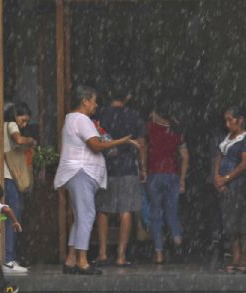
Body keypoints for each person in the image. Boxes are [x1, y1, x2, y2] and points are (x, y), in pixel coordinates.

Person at [54, 86, 139, 275]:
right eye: (93, 100)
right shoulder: (82, 119)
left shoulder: (71, 119)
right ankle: (82, 262)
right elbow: (96, 145)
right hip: (81, 171)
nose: (96, 105)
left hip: (78, 173)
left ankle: (71, 259)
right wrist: (121, 141)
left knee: (80, 217)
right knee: (87, 215)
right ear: (85, 101)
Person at [93, 87, 147, 267]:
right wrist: (143, 167)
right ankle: (121, 255)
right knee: (126, 210)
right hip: (128, 167)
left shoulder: (100, 114)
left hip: (104, 167)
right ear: (128, 96)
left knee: (103, 209)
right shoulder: (134, 116)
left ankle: (102, 253)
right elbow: (141, 144)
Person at [145, 99, 189, 264]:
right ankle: (177, 239)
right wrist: (182, 179)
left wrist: (142, 169)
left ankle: (159, 253)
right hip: (173, 175)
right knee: (172, 211)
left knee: (156, 214)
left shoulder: (149, 129)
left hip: (154, 175)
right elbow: (185, 157)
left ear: (156, 113)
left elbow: (142, 148)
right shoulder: (176, 130)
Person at [213, 107, 246, 273]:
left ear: (240, 119)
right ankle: (235, 255)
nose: (227, 124)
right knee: (229, 222)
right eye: (226, 120)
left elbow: (244, 164)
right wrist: (216, 177)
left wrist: (227, 178)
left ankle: (244, 257)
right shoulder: (227, 137)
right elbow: (218, 156)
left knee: (241, 221)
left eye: (231, 120)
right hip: (224, 184)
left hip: (238, 183)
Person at [3, 102, 37, 273]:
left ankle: (9, 257)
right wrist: (31, 140)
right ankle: (9, 259)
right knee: (13, 218)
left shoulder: (2, 126)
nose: (24, 125)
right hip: (10, 177)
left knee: (10, 217)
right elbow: (18, 139)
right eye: (23, 121)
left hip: (6, 177)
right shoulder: (11, 124)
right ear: (15, 115)